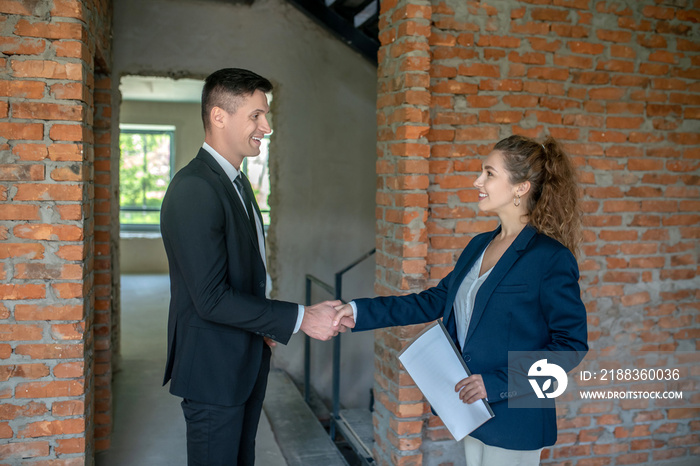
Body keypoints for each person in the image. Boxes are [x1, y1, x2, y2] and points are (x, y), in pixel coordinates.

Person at [334, 135, 588, 465]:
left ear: (520, 187)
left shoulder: (550, 258)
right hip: (471, 411)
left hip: (516, 417)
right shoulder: (479, 245)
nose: (477, 181)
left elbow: (571, 346)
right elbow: (434, 300)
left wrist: (496, 383)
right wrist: (357, 312)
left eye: (489, 173)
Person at [160, 68, 344, 466]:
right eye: (257, 115)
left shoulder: (236, 183)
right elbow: (210, 299)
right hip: (213, 371)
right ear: (219, 116)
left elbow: (244, 273)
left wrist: (262, 325)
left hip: (242, 357)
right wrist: (299, 318)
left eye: (266, 115)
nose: (267, 126)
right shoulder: (195, 188)